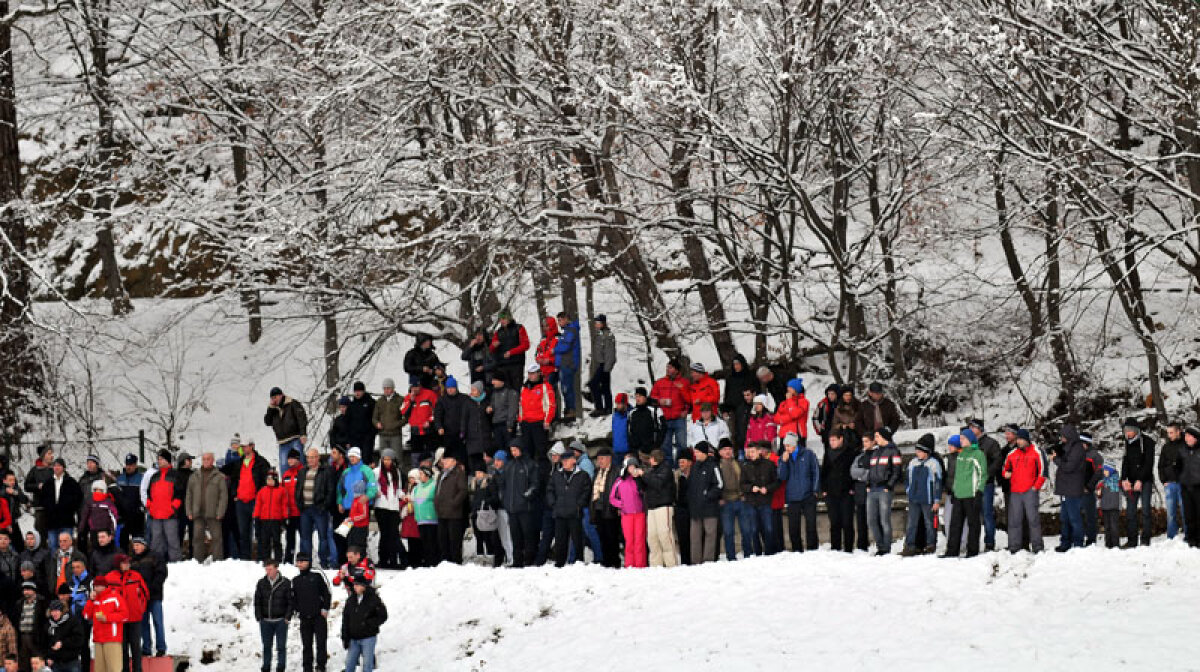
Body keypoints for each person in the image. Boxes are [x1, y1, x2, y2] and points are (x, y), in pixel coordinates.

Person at [944, 429, 986, 558]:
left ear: (969, 439)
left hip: (972, 495)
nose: (960, 441)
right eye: (960, 439)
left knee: (973, 524)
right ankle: (952, 551)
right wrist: (954, 491)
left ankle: (972, 551)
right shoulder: (961, 455)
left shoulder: (978, 454)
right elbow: (957, 476)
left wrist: (979, 492)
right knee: (954, 525)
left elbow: (982, 475)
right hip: (959, 495)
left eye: (963, 438)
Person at [1002, 429, 1045, 553]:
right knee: (1014, 520)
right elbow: (1005, 468)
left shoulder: (1036, 452)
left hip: (1029, 491)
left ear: (1027, 440)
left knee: (1033, 520)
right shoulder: (1012, 453)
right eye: (1018, 439)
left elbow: (1043, 471)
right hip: (1015, 491)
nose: (1019, 442)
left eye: (1021, 439)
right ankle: (1014, 547)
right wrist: (1006, 474)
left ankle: (1037, 547)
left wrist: (1036, 487)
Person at [548, 449, 591, 567]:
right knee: (560, 540)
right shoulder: (557, 474)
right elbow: (550, 490)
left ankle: (579, 562)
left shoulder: (582, 475)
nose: (564, 463)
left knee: (577, 540)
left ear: (574, 460)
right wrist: (553, 504)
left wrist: (579, 505)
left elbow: (587, 492)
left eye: (567, 460)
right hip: (560, 513)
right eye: (563, 460)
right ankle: (559, 563)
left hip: (575, 513)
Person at [778, 433, 820, 552]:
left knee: (811, 525)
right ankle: (797, 550)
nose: (787, 448)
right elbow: (782, 476)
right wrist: (783, 462)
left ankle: (812, 549)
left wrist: (815, 490)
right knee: (793, 527)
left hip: (808, 495)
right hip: (792, 497)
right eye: (785, 446)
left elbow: (815, 471)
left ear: (794, 444)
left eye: (789, 446)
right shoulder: (784, 457)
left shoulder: (808, 454)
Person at [294, 450, 335, 571]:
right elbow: (297, 490)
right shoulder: (302, 471)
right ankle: (307, 563)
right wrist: (299, 504)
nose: (310, 460)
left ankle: (324, 561)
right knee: (305, 538)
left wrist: (324, 506)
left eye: (312, 457)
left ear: (318, 458)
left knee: (323, 537)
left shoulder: (325, 471)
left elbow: (330, 490)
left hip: (319, 509)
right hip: (305, 509)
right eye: (308, 458)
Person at [901, 434, 942, 556]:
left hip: (928, 499)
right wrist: (908, 490)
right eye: (916, 450)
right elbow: (907, 478)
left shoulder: (934, 463)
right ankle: (910, 545)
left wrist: (936, 499)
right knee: (911, 523)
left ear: (927, 452)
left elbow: (938, 482)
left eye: (920, 451)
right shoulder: (913, 463)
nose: (917, 453)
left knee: (929, 523)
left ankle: (930, 545)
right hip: (914, 499)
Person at [965, 420, 1002, 551]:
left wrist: (986, 474)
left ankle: (990, 542)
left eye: (973, 427)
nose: (970, 429)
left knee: (987, 513)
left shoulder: (991, 443)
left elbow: (997, 461)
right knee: (973, 515)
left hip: (986, 484)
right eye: (969, 426)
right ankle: (973, 543)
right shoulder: (968, 443)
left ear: (980, 428)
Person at [290, 552, 330, 672]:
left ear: (309, 562)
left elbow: (326, 593)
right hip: (304, 618)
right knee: (306, 645)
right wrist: (297, 610)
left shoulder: (317, 577)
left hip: (318, 616)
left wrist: (325, 608)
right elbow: (294, 598)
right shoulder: (295, 580)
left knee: (321, 643)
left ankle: (321, 666)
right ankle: (307, 667)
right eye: (298, 561)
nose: (300, 564)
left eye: (303, 561)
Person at [864, 429, 902, 555]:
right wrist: (868, 483)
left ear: (884, 437)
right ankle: (880, 545)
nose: (875, 439)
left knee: (884, 519)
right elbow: (871, 470)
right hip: (872, 489)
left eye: (877, 436)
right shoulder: (875, 452)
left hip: (884, 489)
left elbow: (897, 471)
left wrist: (889, 485)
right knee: (871, 519)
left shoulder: (893, 451)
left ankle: (886, 547)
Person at [184, 452, 228, 562]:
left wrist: (220, 512)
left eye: (208, 459)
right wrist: (189, 510)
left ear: (212, 460)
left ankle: (218, 561)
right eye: (204, 459)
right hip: (198, 512)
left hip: (214, 513)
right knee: (197, 538)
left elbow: (223, 496)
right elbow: (189, 494)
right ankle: (197, 561)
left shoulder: (219, 476)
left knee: (217, 538)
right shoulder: (194, 476)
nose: (206, 461)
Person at [1120, 417, 1155, 548]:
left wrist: (1140, 480)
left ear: (1135, 430)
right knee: (1130, 511)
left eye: (1128, 431)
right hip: (1131, 481)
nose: (1127, 434)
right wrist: (1124, 479)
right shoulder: (1126, 443)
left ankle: (1145, 541)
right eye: (1125, 431)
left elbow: (1148, 464)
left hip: (1145, 481)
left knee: (1146, 510)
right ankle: (1132, 540)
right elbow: (1125, 462)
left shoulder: (1147, 442)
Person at [232, 440, 270, 561]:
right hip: (241, 502)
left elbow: (267, 481)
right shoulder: (239, 463)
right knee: (243, 532)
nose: (243, 448)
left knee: (259, 531)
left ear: (252, 446)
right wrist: (234, 494)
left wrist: (261, 496)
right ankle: (245, 559)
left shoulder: (262, 462)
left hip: (256, 501)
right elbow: (233, 480)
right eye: (242, 446)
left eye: (246, 446)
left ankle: (261, 558)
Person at [144, 451, 184, 563]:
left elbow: (179, 494)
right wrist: (150, 506)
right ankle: (157, 563)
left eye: (161, 459)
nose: (159, 461)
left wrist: (173, 508)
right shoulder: (154, 476)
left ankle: (176, 564)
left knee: (172, 541)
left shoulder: (175, 475)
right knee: (156, 541)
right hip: (155, 515)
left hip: (170, 515)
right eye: (158, 459)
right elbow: (148, 494)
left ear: (167, 460)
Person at [1052, 425, 1088, 552]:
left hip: (1073, 488)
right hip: (1065, 488)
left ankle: (1078, 543)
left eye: (1062, 436)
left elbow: (1069, 467)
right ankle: (1065, 542)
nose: (1061, 439)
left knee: (1074, 517)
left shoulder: (1077, 449)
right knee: (1064, 518)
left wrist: (1056, 459)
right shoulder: (1067, 447)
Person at [821, 429, 857, 552]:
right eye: (830, 440)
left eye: (834, 440)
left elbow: (853, 472)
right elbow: (824, 472)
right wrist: (824, 489)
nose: (832, 442)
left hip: (846, 491)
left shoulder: (850, 452)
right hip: (831, 492)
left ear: (841, 439)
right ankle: (835, 547)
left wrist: (852, 488)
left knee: (847, 522)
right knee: (834, 522)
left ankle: (848, 548)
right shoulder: (828, 453)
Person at [341, 575, 387, 672]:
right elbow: (345, 619)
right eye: (354, 585)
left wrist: (369, 624)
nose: (355, 587)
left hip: (368, 638)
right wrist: (345, 637)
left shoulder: (374, 599)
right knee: (349, 664)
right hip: (353, 638)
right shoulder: (351, 600)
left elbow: (383, 616)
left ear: (364, 586)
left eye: (357, 585)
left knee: (367, 665)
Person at [129, 538, 166, 658]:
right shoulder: (132, 560)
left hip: (154, 596)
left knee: (158, 622)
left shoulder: (155, 556)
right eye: (134, 545)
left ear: (144, 545)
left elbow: (161, 573)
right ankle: (146, 648)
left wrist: (151, 588)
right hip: (140, 598)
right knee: (143, 623)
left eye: (138, 545)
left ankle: (161, 647)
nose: (136, 547)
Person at [685, 443, 722, 564]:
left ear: (704, 453)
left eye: (698, 452)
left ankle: (708, 561)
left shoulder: (713, 466)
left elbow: (720, 485)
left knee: (710, 535)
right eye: (695, 452)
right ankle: (695, 561)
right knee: (694, 537)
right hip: (695, 509)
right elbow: (690, 486)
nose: (696, 454)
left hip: (710, 508)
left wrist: (707, 495)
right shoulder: (695, 467)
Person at [253, 560, 292, 672]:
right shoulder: (261, 583)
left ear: (276, 569)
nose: (268, 571)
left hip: (280, 621)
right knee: (266, 646)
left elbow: (290, 601)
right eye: (266, 569)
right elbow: (257, 601)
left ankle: (281, 667)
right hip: (265, 621)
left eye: (270, 569)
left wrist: (287, 617)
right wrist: (259, 616)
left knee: (281, 646)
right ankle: (266, 667)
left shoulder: (285, 582)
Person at [639, 450, 676, 567]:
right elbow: (644, 487)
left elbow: (658, 483)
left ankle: (671, 564)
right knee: (652, 537)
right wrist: (639, 477)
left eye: (651, 458)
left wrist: (643, 475)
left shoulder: (666, 469)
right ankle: (656, 565)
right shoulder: (651, 471)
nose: (649, 460)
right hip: (651, 507)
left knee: (664, 535)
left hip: (663, 505)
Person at [37, 460, 82, 555]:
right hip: (51, 521)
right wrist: (49, 508)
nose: (56, 468)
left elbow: (78, 498)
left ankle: (67, 567)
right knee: (53, 546)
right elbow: (42, 499)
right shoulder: (48, 483)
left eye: (59, 466)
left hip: (66, 521)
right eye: (55, 466)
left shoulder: (71, 482)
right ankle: (55, 568)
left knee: (67, 547)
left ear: (64, 468)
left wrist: (69, 509)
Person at [606, 456, 644, 568]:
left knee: (639, 540)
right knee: (629, 541)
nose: (632, 469)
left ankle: (640, 564)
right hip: (626, 515)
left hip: (639, 514)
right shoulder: (619, 481)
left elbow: (644, 493)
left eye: (634, 466)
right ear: (626, 468)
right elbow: (612, 498)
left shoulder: (639, 480)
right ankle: (629, 564)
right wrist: (621, 504)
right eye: (630, 466)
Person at [716, 440, 752, 560]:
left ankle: (748, 554)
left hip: (741, 500)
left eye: (729, 449)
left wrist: (744, 494)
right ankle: (731, 557)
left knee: (746, 531)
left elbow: (745, 480)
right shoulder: (717, 465)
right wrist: (720, 497)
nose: (728, 451)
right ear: (720, 452)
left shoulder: (739, 463)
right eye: (725, 449)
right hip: (726, 502)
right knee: (728, 532)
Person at [82, 575, 125, 672]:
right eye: (95, 586)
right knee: (100, 669)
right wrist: (91, 601)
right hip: (98, 639)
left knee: (114, 668)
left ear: (105, 586)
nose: (97, 588)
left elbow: (124, 615)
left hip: (112, 639)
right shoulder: (94, 599)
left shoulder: (115, 597)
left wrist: (107, 618)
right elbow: (86, 615)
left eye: (99, 586)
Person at [651, 360, 692, 463]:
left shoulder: (684, 382)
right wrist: (660, 401)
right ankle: (669, 470)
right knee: (665, 445)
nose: (668, 369)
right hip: (665, 418)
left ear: (676, 370)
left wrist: (686, 410)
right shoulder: (659, 382)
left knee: (682, 444)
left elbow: (690, 400)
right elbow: (651, 399)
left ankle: (680, 467)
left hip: (679, 418)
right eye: (667, 367)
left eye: (670, 367)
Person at [740, 443, 777, 555]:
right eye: (749, 452)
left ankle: (770, 552)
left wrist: (768, 488)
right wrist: (751, 488)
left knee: (768, 529)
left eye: (753, 452)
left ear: (759, 451)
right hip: (751, 502)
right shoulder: (745, 466)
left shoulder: (769, 465)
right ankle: (758, 553)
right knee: (754, 530)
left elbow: (776, 482)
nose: (751, 454)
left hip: (765, 501)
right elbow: (742, 484)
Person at [112, 555, 147, 672]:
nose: (127, 564)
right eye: (124, 562)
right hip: (119, 620)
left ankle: (138, 670)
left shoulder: (136, 576)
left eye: (128, 562)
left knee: (136, 647)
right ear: (118, 564)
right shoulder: (110, 577)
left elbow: (145, 594)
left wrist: (140, 609)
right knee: (122, 649)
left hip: (134, 618)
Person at [373, 451, 405, 570]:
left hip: (394, 506)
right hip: (381, 505)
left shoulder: (396, 472)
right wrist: (376, 492)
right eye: (385, 459)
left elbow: (398, 488)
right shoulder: (376, 472)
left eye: (389, 459)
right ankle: (383, 559)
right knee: (384, 533)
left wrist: (402, 496)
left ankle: (393, 559)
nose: (387, 462)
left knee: (393, 534)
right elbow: (372, 486)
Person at [265, 387, 309, 472]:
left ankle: (302, 481)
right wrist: (270, 409)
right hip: (282, 441)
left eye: (276, 397)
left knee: (299, 462)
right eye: (272, 398)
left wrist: (303, 433)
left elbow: (302, 418)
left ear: (281, 395)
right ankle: (286, 483)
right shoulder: (273, 409)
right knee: (284, 465)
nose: (274, 400)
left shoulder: (292, 403)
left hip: (295, 438)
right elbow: (267, 422)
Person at [589, 449, 620, 568]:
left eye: (602, 458)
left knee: (612, 537)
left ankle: (614, 561)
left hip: (610, 509)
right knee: (602, 536)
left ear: (609, 459)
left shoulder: (615, 471)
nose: (599, 461)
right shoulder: (597, 472)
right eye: (598, 459)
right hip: (598, 509)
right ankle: (606, 561)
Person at [433, 455, 466, 565]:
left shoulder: (458, 473)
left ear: (453, 461)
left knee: (454, 541)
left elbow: (462, 491)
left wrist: (453, 503)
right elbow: (437, 490)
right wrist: (436, 503)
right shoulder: (442, 474)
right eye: (443, 460)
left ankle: (456, 563)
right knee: (442, 540)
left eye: (446, 460)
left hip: (454, 513)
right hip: (441, 512)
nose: (444, 462)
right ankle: (445, 562)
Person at [517, 365, 556, 458]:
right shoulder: (524, 387)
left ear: (539, 373)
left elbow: (551, 404)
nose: (530, 376)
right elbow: (521, 405)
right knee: (527, 451)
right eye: (529, 374)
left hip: (539, 423)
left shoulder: (545, 386)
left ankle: (543, 471)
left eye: (533, 373)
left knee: (541, 450)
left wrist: (547, 420)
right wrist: (520, 420)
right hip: (526, 423)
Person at [489, 309, 530, 389]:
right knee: (504, 390)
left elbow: (526, 345)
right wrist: (494, 346)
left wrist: (511, 352)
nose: (502, 321)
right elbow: (491, 349)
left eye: (504, 318)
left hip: (516, 364)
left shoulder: (519, 328)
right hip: (502, 366)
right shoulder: (498, 332)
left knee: (516, 389)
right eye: (500, 319)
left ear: (509, 318)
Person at [1160, 420, 1187, 541]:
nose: (1169, 435)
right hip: (1170, 484)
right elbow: (1160, 465)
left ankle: (1189, 536)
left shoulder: (1187, 444)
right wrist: (1164, 480)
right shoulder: (1166, 447)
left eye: (1171, 433)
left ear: (1178, 432)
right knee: (1171, 513)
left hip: (1184, 484)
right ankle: (1171, 537)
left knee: (1186, 512)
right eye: (1168, 433)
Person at [253, 470, 288, 563]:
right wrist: (256, 517)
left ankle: (278, 560)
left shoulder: (281, 490)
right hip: (264, 520)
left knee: (276, 541)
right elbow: (258, 506)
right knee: (265, 541)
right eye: (267, 479)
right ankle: (266, 560)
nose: (269, 481)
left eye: (271, 479)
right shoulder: (262, 491)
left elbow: (284, 505)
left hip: (276, 520)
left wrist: (285, 518)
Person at [400, 383, 439, 465]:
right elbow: (403, 412)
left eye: (417, 387)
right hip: (415, 431)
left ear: (420, 386)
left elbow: (437, 411)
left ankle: (431, 470)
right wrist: (411, 401)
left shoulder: (430, 394)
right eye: (413, 387)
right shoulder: (408, 397)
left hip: (428, 430)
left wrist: (430, 420)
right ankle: (416, 472)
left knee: (430, 453)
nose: (415, 389)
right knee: (415, 455)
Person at [587, 315, 617, 417]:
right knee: (605, 387)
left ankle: (600, 408)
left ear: (603, 323)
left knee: (593, 384)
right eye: (595, 323)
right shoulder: (600, 334)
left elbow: (610, 353)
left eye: (598, 323)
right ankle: (607, 408)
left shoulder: (607, 335)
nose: (596, 325)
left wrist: (607, 368)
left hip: (605, 365)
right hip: (601, 364)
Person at [1175, 426, 1200, 548]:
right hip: (1185, 487)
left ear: (1195, 438)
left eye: (1189, 436)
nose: (1186, 438)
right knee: (1189, 514)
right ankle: (1190, 538)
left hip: (1198, 487)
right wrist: (1180, 478)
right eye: (1185, 436)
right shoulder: (1182, 450)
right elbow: (1177, 466)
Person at [114, 456, 146, 552]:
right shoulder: (119, 479)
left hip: (137, 517)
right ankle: (124, 564)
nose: (129, 467)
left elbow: (145, 495)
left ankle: (139, 564)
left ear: (136, 465)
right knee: (122, 543)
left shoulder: (141, 478)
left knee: (138, 543)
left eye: (131, 465)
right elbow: (116, 497)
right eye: (127, 464)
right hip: (123, 518)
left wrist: (141, 509)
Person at [553, 314, 582, 420]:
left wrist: (554, 349)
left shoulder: (571, 330)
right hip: (564, 363)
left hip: (568, 363)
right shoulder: (566, 331)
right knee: (564, 388)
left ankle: (571, 410)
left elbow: (565, 346)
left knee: (567, 388)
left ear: (566, 319)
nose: (559, 323)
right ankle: (568, 410)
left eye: (560, 320)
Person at [24, 447, 55, 545]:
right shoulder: (35, 470)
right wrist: (37, 486)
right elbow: (26, 486)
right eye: (49, 453)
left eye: (52, 453)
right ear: (43, 456)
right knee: (40, 534)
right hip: (40, 507)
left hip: (54, 507)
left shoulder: (55, 468)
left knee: (53, 535)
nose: (52, 456)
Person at [44, 599, 85, 672]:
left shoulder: (73, 621)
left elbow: (79, 639)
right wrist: (48, 657)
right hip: (56, 662)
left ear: (62, 611)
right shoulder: (48, 624)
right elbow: (46, 642)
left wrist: (63, 643)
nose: (54, 614)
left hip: (72, 661)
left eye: (56, 611)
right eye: (52, 611)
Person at [372, 379, 405, 469]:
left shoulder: (400, 400)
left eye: (388, 388)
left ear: (393, 388)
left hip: (395, 435)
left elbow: (406, 417)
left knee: (397, 459)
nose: (386, 390)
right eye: (385, 388)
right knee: (383, 459)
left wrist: (397, 424)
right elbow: (374, 417)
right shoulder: (380, 401)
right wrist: (377, 423)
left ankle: (399, 479)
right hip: (383, 434)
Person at [409, 468, 439, 566]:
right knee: (424, 543)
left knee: (432, 543)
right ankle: (427, 562)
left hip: (431, 519)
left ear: (427, 475)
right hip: (421, 519)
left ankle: (433, 562)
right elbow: (414, 500)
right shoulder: (417, 487)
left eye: (421, 474)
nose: (419, 476)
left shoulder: (434, 485)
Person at [463, 382, 493, 474]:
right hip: (472, 437)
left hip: (485, 437)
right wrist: (463, 432)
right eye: (471, 390)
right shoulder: (468, 402)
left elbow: (490, 420)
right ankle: (474, 479)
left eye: (474, 390)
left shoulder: (486, 402)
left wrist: (490, 412)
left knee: (485, 461)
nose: (472, 392)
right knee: (473, 460)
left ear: (479, 390)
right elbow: (464, 419)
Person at [78, 481, 118, 550]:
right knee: (95, 549)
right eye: (96, 490)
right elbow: (84, 516)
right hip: (94, 530)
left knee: (106, 548)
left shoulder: (108, 501)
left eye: (100, 490)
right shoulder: (90, 501)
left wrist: (112, 531)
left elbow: (114, 516)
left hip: (105, 530)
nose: (98, 492)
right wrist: (81, 529)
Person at [486, 372, 520, 455]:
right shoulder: (494, 393)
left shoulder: (511, 392)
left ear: (502, 381)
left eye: (495, 380)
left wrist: (510, 425)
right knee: (500, 449)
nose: (492, 382)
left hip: (506, 425)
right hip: (496, 425)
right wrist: (490, 408)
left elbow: (513, 409)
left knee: (509, 448)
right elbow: (493, 405)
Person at [15, 581, 45, 670]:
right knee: (24, 664)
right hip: (22, 637)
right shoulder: (19, 603)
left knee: (37, 664)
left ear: (34, 591)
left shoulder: (41, 602)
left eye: (28, 589)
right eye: (24, 590)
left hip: (36, 637)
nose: (26, 592)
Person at [345, 382, 377, 462]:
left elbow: (375, 418)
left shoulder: (371, 403)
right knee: (355, 460)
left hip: (367, 438)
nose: (357, 393)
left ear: (363, 391)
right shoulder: (351, 405)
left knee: (366, 460)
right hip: (354, 439)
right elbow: (347, 422)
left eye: (359, 391)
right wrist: (348, 439)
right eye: (355, 391)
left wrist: (372, 434)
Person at [1094, 463, 1123, 548]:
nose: (1104, 472)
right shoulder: (1102, 482)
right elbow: (1098, 494)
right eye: (1104, 470)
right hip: (1105, 507)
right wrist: (1098, 493)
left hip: (1114, 507)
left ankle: (1115, 544)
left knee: (1114, 526)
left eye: (1106, 470)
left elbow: (1122, 493)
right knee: (1107, 527)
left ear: (1111, 471)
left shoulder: (1117, 482)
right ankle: (1108, 544)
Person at [774, 379, 810, 447]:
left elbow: (795, 414)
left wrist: (790, 400)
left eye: (790, 387)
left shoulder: (804, 402)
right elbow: (776, 419)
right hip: (784, 435)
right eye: (788, 387)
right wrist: (789, 418)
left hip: (797, 435)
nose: (788, 389)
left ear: (796, 389)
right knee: (783, 456)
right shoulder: (783, 403)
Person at [627, 388, 660, 458]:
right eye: (636, 396)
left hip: (650, 449)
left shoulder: (653, 411)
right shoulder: (632, 413)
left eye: (640, 396)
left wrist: (656, 445)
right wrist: (632, 443)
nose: (638, 398)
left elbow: (661, 428)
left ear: (645, 397)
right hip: (635, 449)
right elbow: (629, 430)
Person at [673, 451, 693, 565]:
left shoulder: (695, 474)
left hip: (693, 509)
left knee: (694, 536)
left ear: (690, 462)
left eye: (683, 461)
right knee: (682, 537)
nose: (681, 464)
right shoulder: (676, 475)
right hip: (680, 510)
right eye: (679, 462)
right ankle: (685, 562)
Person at [344, 482, 370, 553]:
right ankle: (353, 561)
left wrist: (352, 519)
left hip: (361, 527)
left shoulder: (362, 499)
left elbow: (364, 515)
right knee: (352, 545)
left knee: (359, 546)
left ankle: (361, 561)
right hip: (353, 526)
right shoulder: (355, 499)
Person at [812, 384, 839, 450]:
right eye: (829, 394)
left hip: (839, 433)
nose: (830, 396)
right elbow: (815, 418)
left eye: (832, 394)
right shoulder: (823, 404)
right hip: (827, 433)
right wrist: (821, 430)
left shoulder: (841, 404)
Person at [611, 395, 630, 462]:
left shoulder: (630, 415)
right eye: (617, 403)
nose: (617, 405)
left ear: (625, 404)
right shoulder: (615, 416)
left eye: (619, 403)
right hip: (616, 451)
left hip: (627, 452)